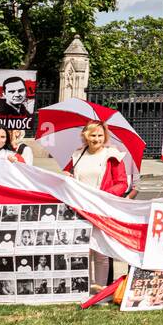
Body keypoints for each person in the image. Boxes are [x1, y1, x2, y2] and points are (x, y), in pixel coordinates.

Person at [62, 120, 131, 291]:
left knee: (101, 251)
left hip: (101, 208)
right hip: (79, 208)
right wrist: (65, 176)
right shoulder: (77, 155)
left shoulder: (112, 155)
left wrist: (103, 196)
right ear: (85, 135)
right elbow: (66, 175)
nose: (97, 139)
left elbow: (122, 183)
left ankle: (100, 288)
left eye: (100, 135)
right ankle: (84, 287)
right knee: (83, 250)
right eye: (93, 135)